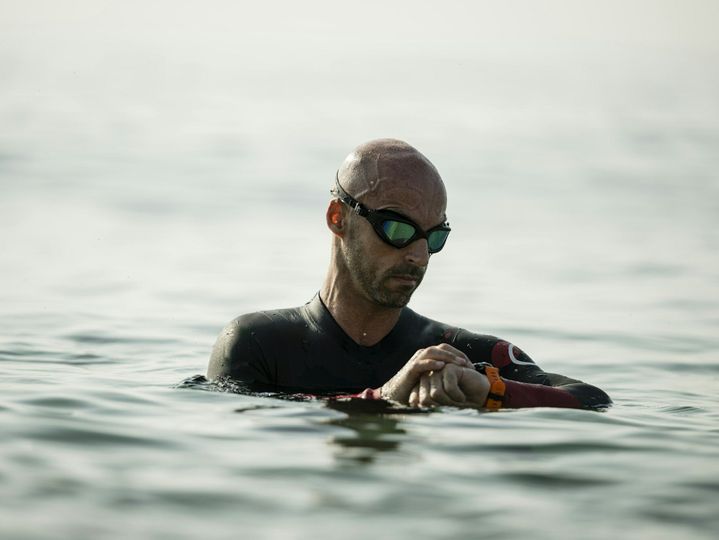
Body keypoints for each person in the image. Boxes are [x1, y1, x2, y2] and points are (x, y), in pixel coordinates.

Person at [207, 139, 611, 410]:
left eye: (434, 237)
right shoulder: (257, 344)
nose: (418, 255)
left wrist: (490, 391)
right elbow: (253, 451)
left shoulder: (463, 356)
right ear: (338, 219)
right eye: (397, 230)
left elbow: (592, 401)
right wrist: (385, 399)